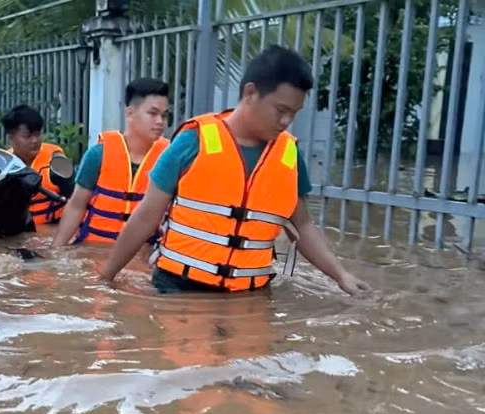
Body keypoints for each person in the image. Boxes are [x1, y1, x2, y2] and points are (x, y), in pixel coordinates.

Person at [98, 45, 370, 295]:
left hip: (249, 295)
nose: (287, 121)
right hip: (178, 290)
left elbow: (302, 227)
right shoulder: (194, 140)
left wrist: (340, 276)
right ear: (250, 93)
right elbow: (146, 217)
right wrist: (106, 277)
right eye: (281, 110)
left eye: (294, 113)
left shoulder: (289, 155)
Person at [51, 78, 170, 246]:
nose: (160, 121)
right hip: (94, 250)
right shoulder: (98, 154)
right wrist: (56, 250)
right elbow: (77, 205)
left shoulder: (169, 158)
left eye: (164, 115)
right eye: (153, 113)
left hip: (142, 253)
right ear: (129, 113)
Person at [2, 104, 74, 225]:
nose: (35, 140)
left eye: (37, 134)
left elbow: (78, 201)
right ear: (10, 138)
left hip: (53, 230)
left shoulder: (58, 162)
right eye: (27, 136)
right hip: (17, 232)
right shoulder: (3, 164)